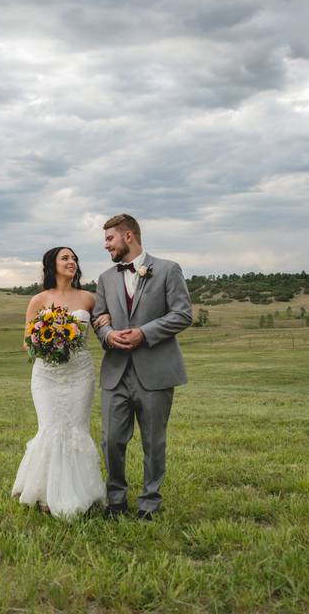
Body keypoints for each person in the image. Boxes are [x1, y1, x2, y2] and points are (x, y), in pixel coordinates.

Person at [91, 214, 191, 520]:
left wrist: (144, 333)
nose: (106, 244)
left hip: (156, 372)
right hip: (116, 372)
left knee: (153, 441)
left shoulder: (168, 269)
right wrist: (107, 335)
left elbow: (183, 314)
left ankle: (149, 503)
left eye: (110, 238)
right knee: (111, 440)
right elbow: (99, 319)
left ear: (129, 236)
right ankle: (116, 500)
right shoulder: (105, 278)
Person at [12, 247, 106, 519]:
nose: (72, 262)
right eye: (65, 258)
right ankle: (45, 493)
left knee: (76, 429)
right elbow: (26, 341)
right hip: (47, 375)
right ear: (51, 265)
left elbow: (102, 327)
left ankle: (82, 494)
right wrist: (49, 339)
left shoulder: (89, 298)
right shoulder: (39, 300)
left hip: (80, 373)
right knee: (51, 428)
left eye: (75, 258)